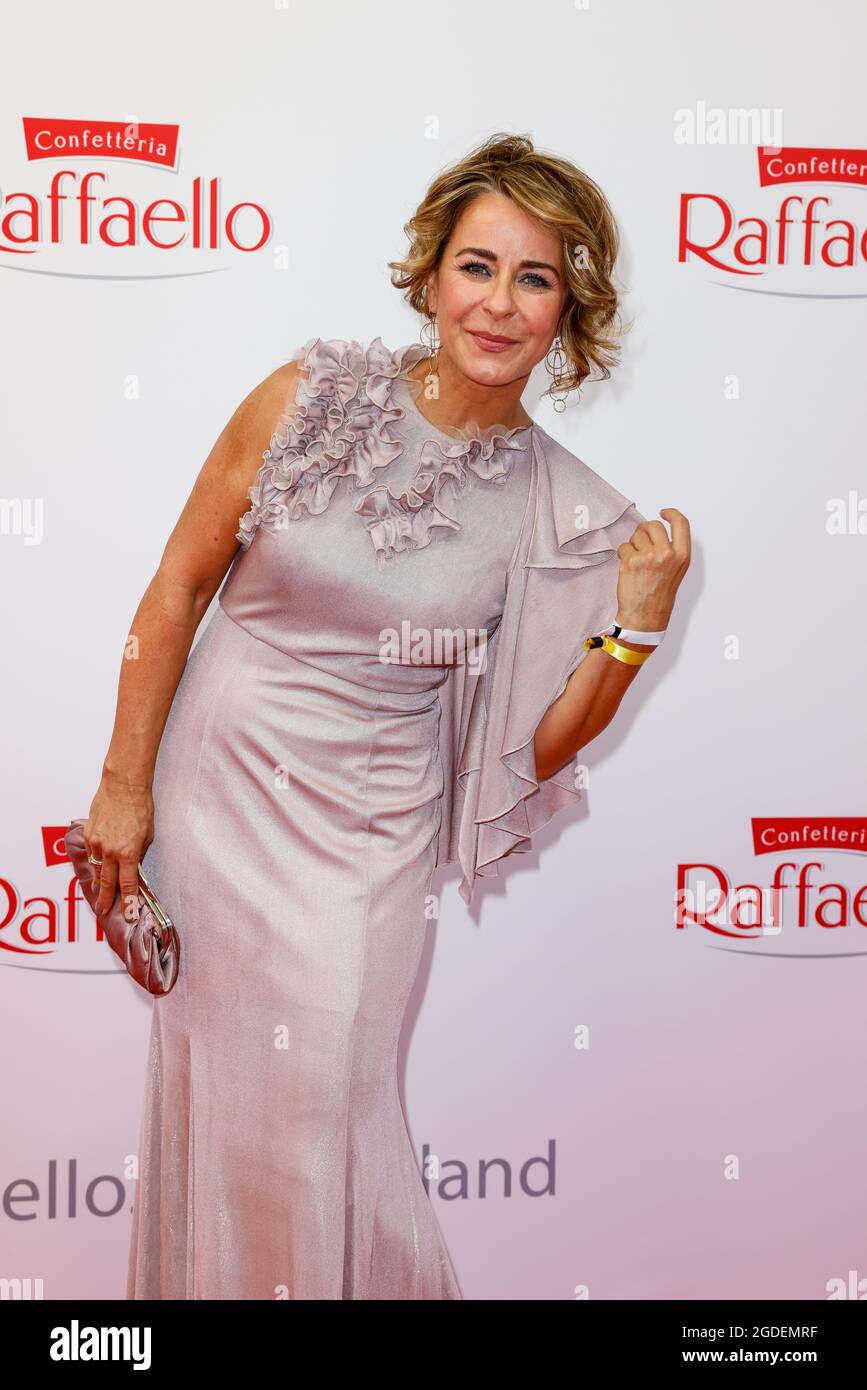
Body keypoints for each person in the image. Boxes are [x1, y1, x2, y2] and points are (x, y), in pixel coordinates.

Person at [84, 132, 690, 1300]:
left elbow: (539, 744)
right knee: (226, 1109)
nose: (499, 303)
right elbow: (176, 587)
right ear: (430, 275)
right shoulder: (307, 396)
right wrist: (123, 784)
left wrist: (638, 627)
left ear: (572, 310)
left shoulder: (563, 512)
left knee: (324, 1122)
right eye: (478, 265)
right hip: (214, 802)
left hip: (365, 844)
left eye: (536, 277)